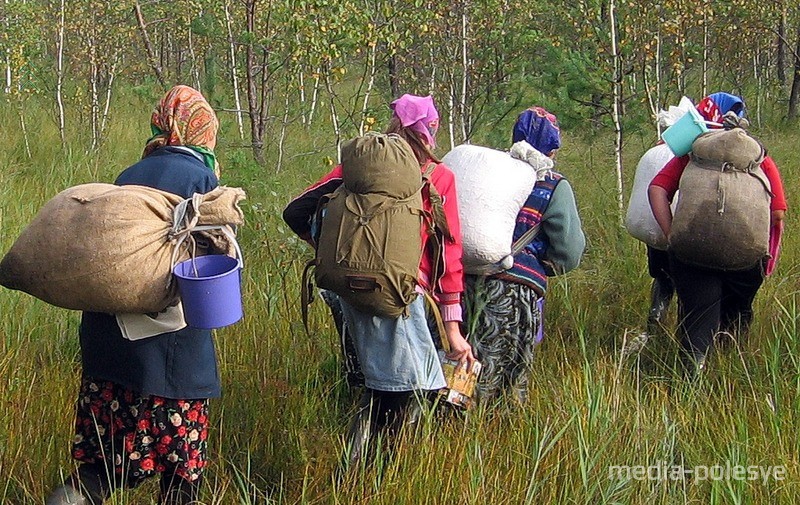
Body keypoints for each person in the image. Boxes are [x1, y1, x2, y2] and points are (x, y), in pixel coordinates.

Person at [46, 85, 222, 505]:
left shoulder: (128, 175)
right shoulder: (202, 178)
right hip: (171, 358)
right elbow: (217, 266)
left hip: (108, 350)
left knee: (99, 471)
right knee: (180, 475)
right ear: (201, 131)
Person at [282, 94, 474, 470]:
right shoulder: (438, 175)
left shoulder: (359, 169)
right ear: (431, 130)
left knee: (371, 386)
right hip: (403, 299)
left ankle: (358, 470)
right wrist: (453, 331)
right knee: (400, 396)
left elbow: (295, 211)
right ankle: (371, 477)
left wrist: (330, 252)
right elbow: (449, 256)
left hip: (347, 296)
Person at [648, 93, 787, 376]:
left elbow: (656, 189)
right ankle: (728, 369)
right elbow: (778, 214)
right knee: (736, 313)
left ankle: (692, 375)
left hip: (691, 251)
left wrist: (671, 233)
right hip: (746, 257)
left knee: (697, 316)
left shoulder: (692, 153)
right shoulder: (760, 158)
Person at [463, 106, 585, 404]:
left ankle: (445, 427)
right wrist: (544, 265)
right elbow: (569, 252)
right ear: (553, 148)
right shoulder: (552, 184)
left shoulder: (487, 171)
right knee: (504, 378)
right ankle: (492, 436)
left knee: (460, 362)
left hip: (462, 282)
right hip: (515, 292)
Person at [631, 93, 747, 338]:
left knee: (662, 277)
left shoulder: (675, 146)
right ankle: (690, 334)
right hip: (687, 234)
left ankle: (657, 315)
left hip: (658, 227)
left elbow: (655, 189)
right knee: (692, 287)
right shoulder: (705, 153)